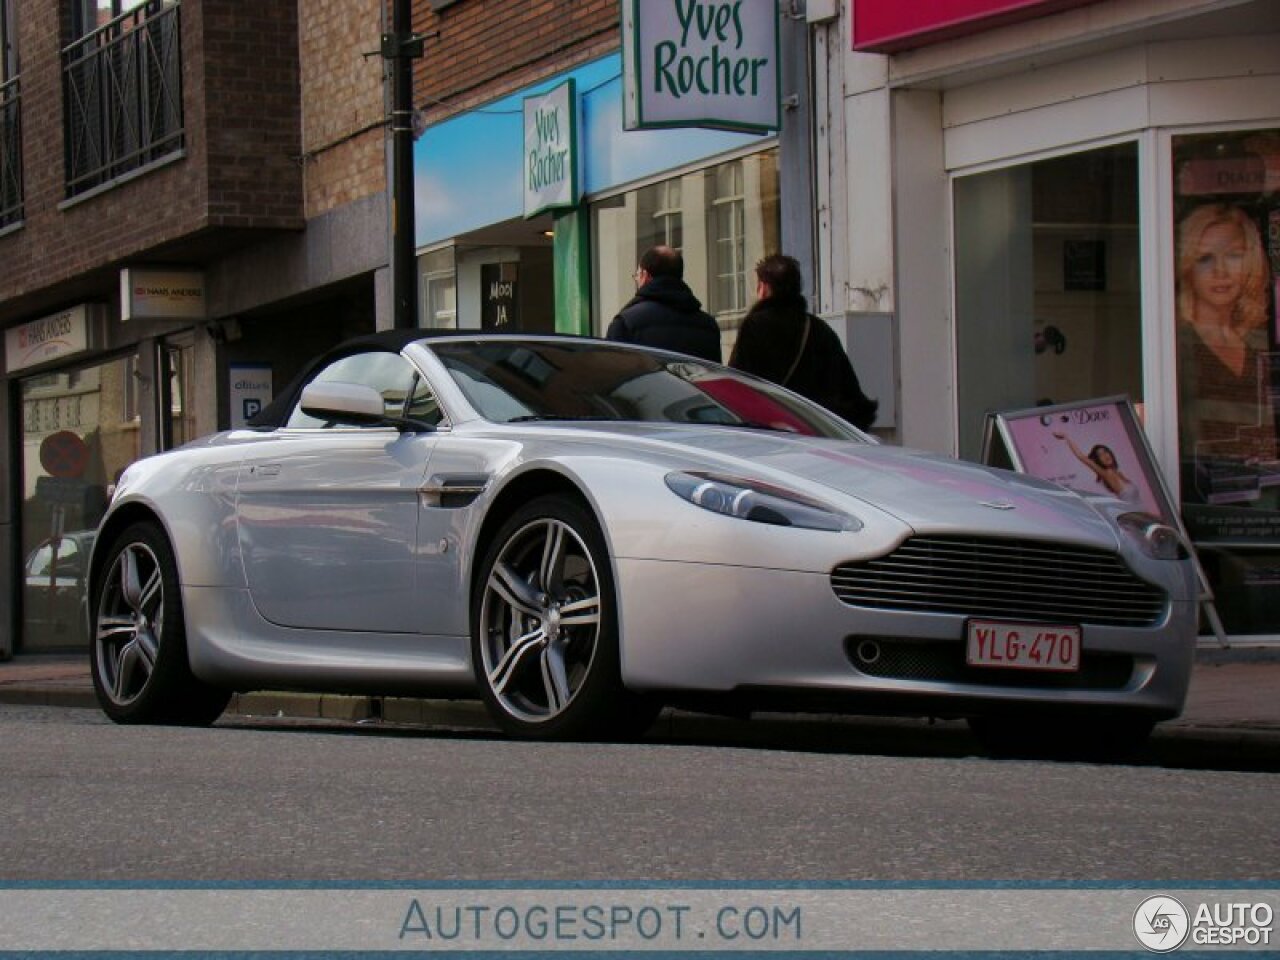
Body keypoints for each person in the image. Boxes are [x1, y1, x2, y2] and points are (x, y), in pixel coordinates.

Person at [1174, 202, 1276, 502]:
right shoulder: (1177, 345)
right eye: (1205, 258)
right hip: (1203, 501)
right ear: (1186, 266)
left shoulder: (1263, 340)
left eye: (1233, 255)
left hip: (1266, 498)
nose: (1220, 271)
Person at [729, 253, 878, 431]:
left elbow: (737, 383)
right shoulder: (819, 329)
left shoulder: (754, 326)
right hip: (812, 431)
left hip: (768, 433)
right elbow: (849, 394)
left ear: (764, 288)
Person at [606, 245, 721, 363]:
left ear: (645, 276)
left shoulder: (626, 323)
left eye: (637, 275)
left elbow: (613, 374)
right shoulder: (709, 326)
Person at [1053, 432, 1141, 504]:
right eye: (1100, 455)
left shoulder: (1119, 473)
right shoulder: (1107, 473)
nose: (1105, 456)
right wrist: (1066, 437)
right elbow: (1081, 457)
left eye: (1105, 452)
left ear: (1110, 453)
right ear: (1098, 460)